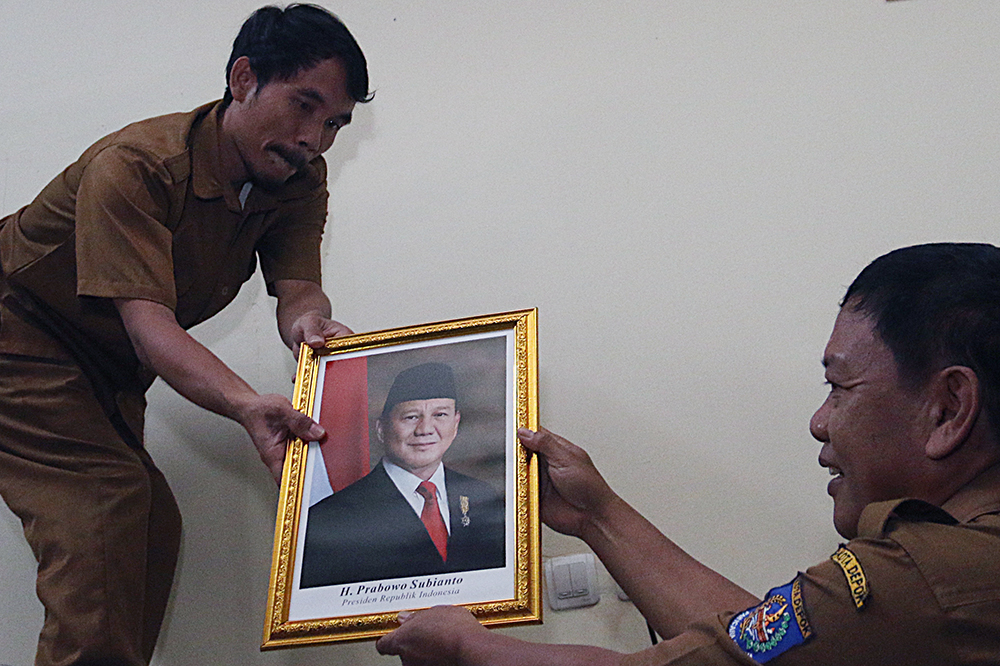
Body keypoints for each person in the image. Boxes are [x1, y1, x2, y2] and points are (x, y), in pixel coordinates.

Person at [375, 242, 1000, 665]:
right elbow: (752, 646)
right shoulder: (955, 566)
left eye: (839, 387)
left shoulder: (924, 577)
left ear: (947, 408)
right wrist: (597, 515)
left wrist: (467, 648)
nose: (819, 421)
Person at [0, 5, 371, 666]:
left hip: (101, 366)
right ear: (244, 78)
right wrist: (244, 404)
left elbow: (298, 290)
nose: (314, 137)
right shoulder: (137, 166)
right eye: (303, 105)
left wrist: (308, 328)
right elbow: (150, 330)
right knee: (105, 511)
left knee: (148, 526)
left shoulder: (295, 179)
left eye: (335, 123)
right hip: (17, 337)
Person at [301, 362, 505, 588]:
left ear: (455, 424)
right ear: (381, 428)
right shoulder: (329, 519)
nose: (425, 429)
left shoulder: (483, 497)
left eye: (440, 414)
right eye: (411, 417)